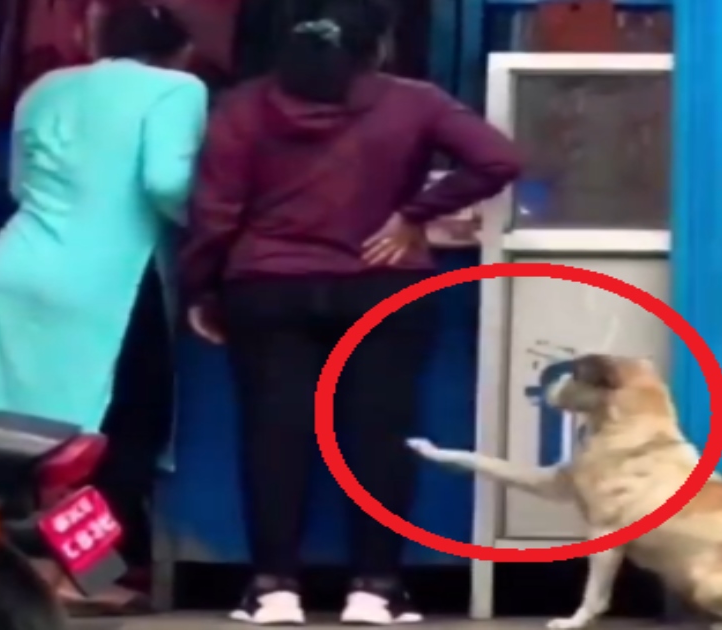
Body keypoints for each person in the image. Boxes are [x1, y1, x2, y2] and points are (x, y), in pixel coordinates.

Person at [179, 0, 522, 624]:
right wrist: (413, 215)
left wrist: (202, 288)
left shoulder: (245, 106)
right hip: (381, 287)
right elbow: (499, 159)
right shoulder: (415, 102)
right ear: (379, 48)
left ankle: (274, 589)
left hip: (268, 288)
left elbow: (215, 212)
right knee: (377, 437)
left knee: (273, 436)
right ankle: (376, 588)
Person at [0, 1, 207, 614]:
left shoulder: (45, 87)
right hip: (106, 280)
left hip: (14, 268)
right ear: (179, 50)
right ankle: (86, 579)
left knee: (12, 434)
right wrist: (219, 220)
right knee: (119, 433)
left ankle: (21, 572)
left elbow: (18, 184)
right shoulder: (178, 87)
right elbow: (168, 184)